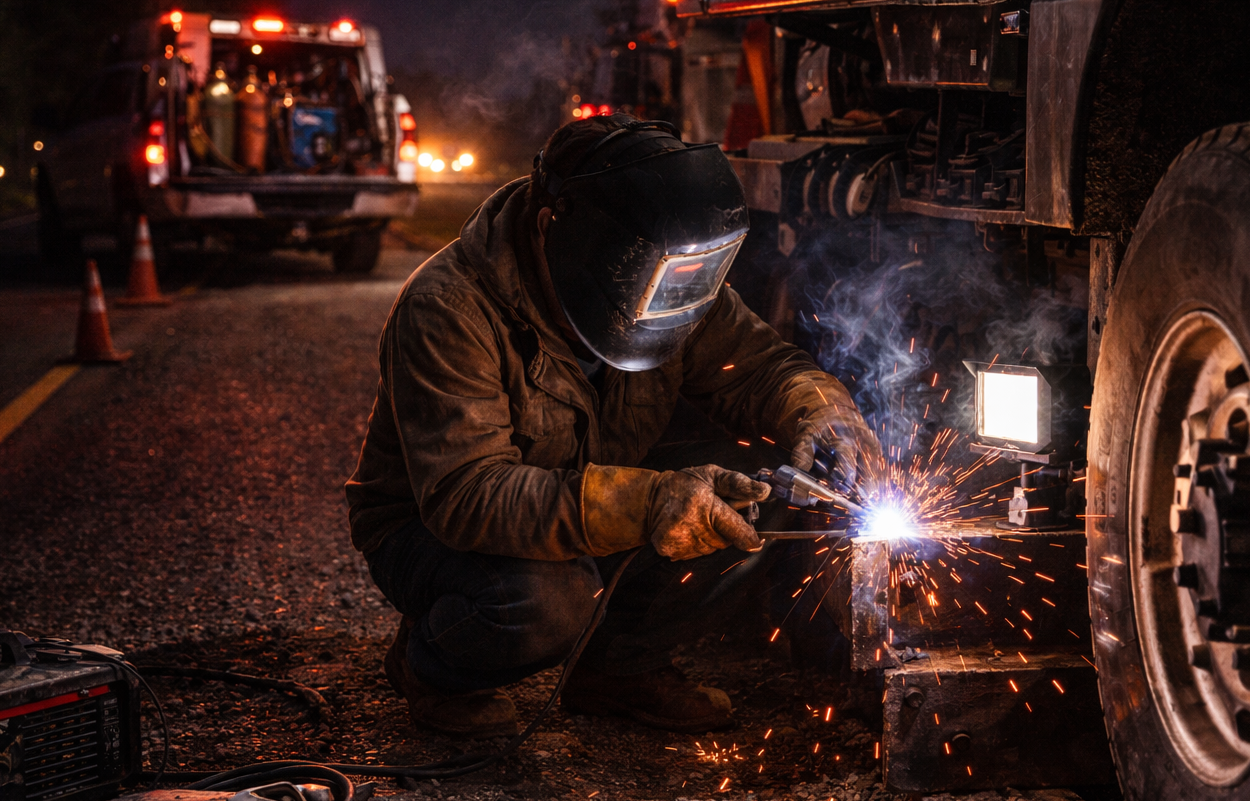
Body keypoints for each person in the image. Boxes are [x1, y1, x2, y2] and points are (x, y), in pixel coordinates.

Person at [346, 114, 878, 737]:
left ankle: (617, 670)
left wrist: (824, 412)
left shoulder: (676, 277)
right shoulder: (449, 307)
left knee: (770, 478)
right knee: (550, 600)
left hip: (580, 491)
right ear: (556, 227)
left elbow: (760, 369)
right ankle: (433, 666)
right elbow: (468, 496)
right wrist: (649, 500)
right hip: (429, 528)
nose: (656, 305)